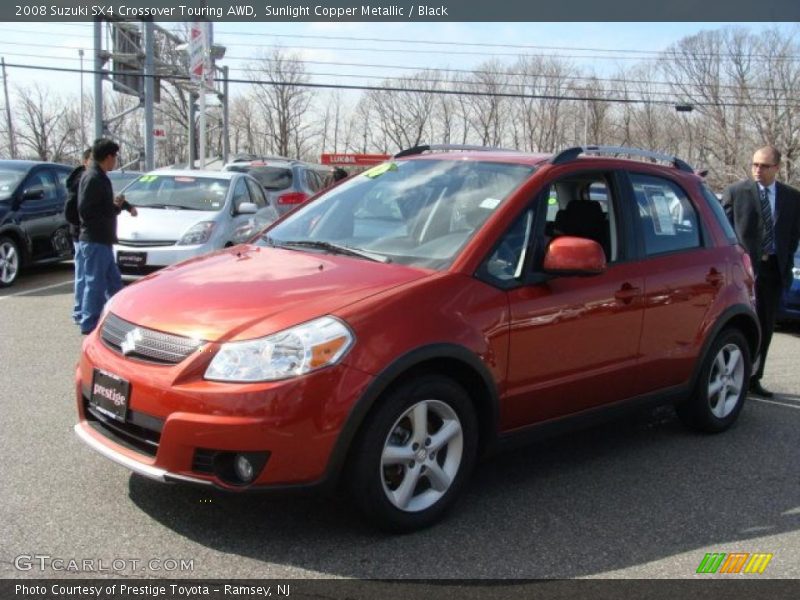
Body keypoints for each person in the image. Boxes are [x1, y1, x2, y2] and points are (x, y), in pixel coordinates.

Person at [723, 145, 800, 397]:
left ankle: (755, 377)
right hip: (742, 272)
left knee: (766, 327)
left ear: (777, 168)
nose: (758, 169)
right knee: (740, 325)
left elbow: (792, 236)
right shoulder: (737, 192)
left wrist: (786, 264)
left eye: (764, 166)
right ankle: (736, 376)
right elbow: (724, 232)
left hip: (773, 272)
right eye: (755, 164)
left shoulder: (791, 198)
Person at [77, 138, 137, 335]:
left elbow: (101, 208)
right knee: (95, 283)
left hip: (103, 239)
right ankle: (89, 323)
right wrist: (109, 211)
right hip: (95, 239)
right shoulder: (93, 177)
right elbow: (85, 210)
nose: (116, 161)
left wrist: (115, 208)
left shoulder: (100, 176)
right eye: (115, 157)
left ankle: (121, 318)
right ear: (108, 157)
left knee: (113, 282)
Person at [65, 148, 91, 325]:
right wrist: (81, 226)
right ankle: (80, 311)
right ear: (86, 161)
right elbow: (71, 210)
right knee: (83, 274)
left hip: (81, 233)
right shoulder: (81, 179)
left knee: (84, 273)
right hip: (81, 234)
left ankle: (80, 310)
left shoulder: (82, 178)